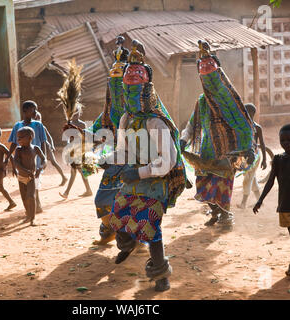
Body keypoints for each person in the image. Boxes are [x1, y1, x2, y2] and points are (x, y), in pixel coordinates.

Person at [105, 40, 186, 292]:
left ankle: (160, 274)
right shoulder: (126, 118)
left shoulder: (155, 123)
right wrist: (108, 160)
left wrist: (139, 172)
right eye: (126, 88)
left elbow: (168, 160)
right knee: (117, 218)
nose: (129, 93)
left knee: (150, 227)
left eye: (135, 88)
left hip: (154, 183)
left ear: (146, 90)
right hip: (131, 181)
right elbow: (123, 150)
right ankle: (127, 245)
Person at [180, 40, 255, 229]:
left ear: (219, 73)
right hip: (206, 152)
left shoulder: (229, 98)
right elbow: (192, 124)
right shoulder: (202, 102)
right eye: (205, 76)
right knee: (204, 185)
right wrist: (183, 140)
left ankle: (225, 216)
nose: (208, 80)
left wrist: (246, 148)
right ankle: (215, 212)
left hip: (228, 153)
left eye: (211, 75)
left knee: (222, 187)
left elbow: (245, 124)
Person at [253, 124, 290, 278]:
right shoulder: (278, 160)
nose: (285, 143)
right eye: (282, 140)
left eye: (289, 140)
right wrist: (260, 199)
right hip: (284, 204)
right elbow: (271, 181)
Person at [86, 36, 128, 245]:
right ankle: (110, 231)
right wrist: (77, 131)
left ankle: (138, 239)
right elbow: (92, 135)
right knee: (102, 202)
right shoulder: (106, 114)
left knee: (132, 205)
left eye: (120, 84)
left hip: (138, 168)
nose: (116, 88)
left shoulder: (143, 113)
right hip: (113, 169)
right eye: (113, 83)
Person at [6, 100, 47, 212]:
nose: (36, 112)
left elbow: (43, 142)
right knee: (25, 183)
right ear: (25, 111)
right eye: (33, 109)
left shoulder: (38, 125)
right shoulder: (17, 126)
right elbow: (14, 143)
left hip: (36, 159)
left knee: (36, 182)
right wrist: (8, 158)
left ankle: (36, 204)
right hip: (22, 161)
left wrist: (44, 158)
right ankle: (31, 207)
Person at [13, 127, 46, 226]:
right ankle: (28, 215)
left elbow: (44, 159)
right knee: (24, 198)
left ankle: (32, 218)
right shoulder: (18, 150)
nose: (18, 140)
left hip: (31, 177)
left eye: (21, 137)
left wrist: (40, 168)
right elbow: (16, 163)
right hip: (22, 177)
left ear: (30, 137)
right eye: (18, 138)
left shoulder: (35, 148)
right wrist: (25, 171)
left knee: (31, 196)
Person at [237, 103, 267, 209]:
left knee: (248, 178)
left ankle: (243, 203)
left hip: (254, 157)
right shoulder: (242, 127)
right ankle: (260, 200)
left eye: (245, 112)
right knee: (251, 177)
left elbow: (262, 144)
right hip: (245, 156)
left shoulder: (257, 127)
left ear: (251, 113)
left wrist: (264, 160)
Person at [59, 110, 93, 199]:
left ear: (80, 113)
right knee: (77, 171)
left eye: (77, 113)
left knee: (75, 171)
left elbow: (85, 136)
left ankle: (67, 192)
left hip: (80, 149)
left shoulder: (82, 124)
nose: (76, 115)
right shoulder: (69, 123)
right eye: (74, 113)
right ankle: (88, 190)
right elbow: (67, 137)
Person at [34, 110, 67, 186]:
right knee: (38, 164)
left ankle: (63, 177)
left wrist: (52, 145)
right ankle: (37, 180)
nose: (38, 120)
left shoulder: (42, 127)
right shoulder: (33, 127)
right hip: (38, 148)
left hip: (46, 147)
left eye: (39, 118)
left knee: (54, 163)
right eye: (36, 118)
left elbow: (49, 137)